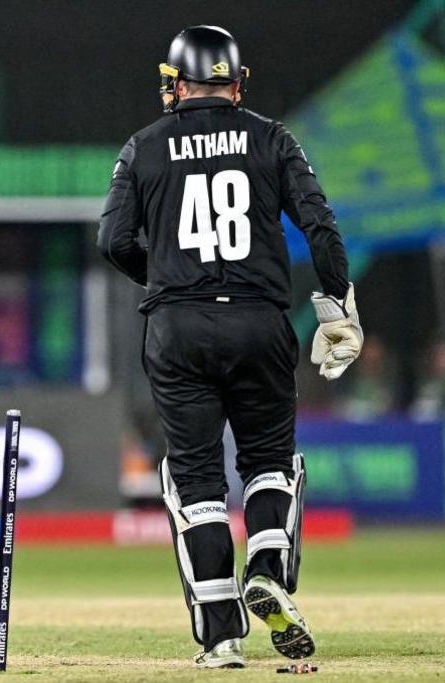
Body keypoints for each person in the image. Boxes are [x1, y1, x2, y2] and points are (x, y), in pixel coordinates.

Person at [98, 26, 363, 668]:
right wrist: (337, 307)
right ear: (237, 82)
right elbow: (320, 226)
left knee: (195, 482)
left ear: (177, 84)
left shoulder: (144, 146)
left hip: (178, 328)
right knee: (270, 463)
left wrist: (166, 278)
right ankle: (267, 566)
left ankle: (221, 638)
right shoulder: (273, 138)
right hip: (259, 320)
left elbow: (112, 241)